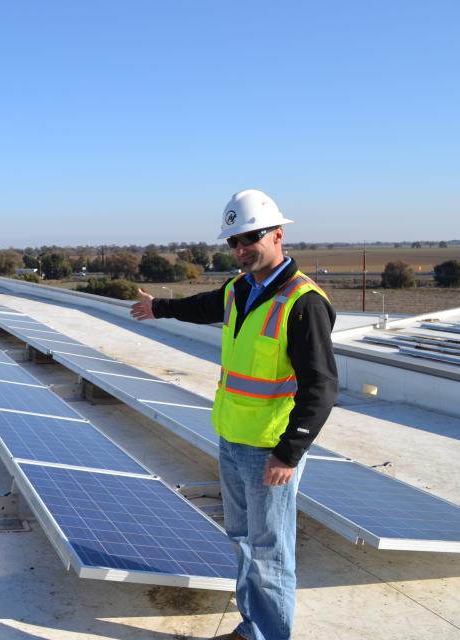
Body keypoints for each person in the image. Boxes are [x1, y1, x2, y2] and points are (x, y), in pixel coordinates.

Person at [130, 189, 338, 640]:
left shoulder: (304, 302)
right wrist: (159, 308)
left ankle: (268, 635)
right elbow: (203, 305)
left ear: (278, 235)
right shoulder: (239, 289)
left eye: (250, 237)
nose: (241, 249)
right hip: (232, 438)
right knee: (244, 542)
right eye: (234, 241)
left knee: (270, 551)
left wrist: (289, 452)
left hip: (269, 450)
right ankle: (252, 628)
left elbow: (322, 387)